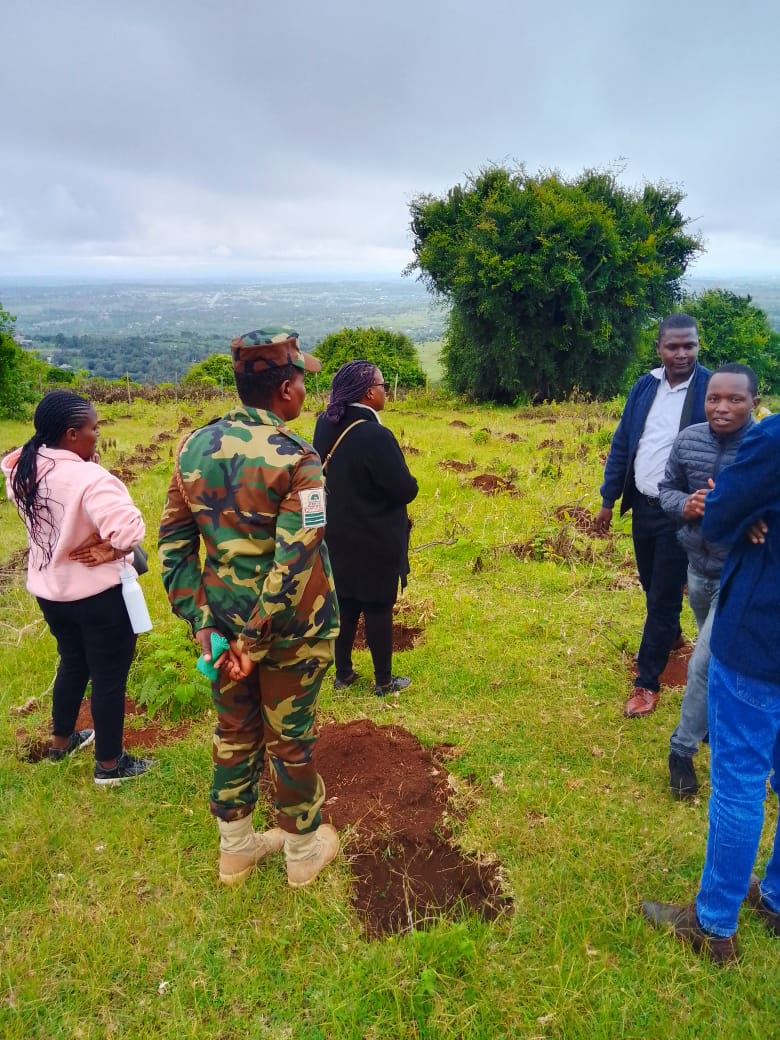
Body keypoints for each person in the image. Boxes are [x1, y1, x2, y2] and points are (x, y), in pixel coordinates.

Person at [158, 330, 340, 888]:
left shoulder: (193, 447)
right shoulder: (299, 459)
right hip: (289, 634)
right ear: (286, 390)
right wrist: (253, 641)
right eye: (303, 380)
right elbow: (294, 562)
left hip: (221, 627)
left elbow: (173, 546)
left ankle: (235, 850)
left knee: (234, 730)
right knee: (291, 737)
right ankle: (302, 855)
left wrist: (205, 624)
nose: (306, 388)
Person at [642, 412, 780, 964]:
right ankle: (774, 898)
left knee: (739, 779)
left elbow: (718, 519)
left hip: (762, 632)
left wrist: (739, 506)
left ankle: (714, 922)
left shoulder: (772, 439)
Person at [1, 389, 152, 784]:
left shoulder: (23, 469)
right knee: (109, 677)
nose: (97, 434)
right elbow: (130, 529)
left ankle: (61, 741)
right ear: (71, 434)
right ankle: (110, 765)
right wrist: (108, 548)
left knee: (72, 662)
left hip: (51, 593)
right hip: (99, 597)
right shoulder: (89, 478)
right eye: (93, 428)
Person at [594, 314, 711, 718]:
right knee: (650, 582)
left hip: (682, 514)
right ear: (659, 348)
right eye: (673, 346)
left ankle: (646, 682)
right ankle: (673, 634)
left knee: (662, 597)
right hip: (643, 506)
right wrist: (609, 500)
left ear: (698, 346)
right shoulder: (645, 386)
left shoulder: (710, 390)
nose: (682, 354)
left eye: (689, 346)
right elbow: (624, 442)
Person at [658, 364, 757, 799]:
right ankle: (716, 725)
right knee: (714, 661)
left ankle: (681, 749)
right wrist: (688, 506)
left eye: (735, 399)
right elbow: (666, 491)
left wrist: (750, 515)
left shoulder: (764, 447)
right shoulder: (689, 439)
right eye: (714, 398)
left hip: (741, 575)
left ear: (753, 401)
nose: (722, 407)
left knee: (701, 663)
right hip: (697, 568)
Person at [312, 360, 418, 697]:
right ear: (370, 393)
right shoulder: (376, 434)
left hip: (336, 533)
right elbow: (404, 489)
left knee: (344, 603)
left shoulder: (325, 424)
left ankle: (343, 674)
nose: (386, 391)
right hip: (374, 536)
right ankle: (384, 682)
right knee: (377, 606)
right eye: (383, 386)